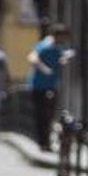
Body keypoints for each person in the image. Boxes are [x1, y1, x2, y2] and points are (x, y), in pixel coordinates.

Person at [27, 23, 72, 151]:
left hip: (52, 85)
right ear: (58, 36)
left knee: (50, 114)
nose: (65, 40)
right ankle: (43, 142)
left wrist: (64, 58)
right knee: (42, 114)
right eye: (64, 37)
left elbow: (61, 58)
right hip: (39, 86)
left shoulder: (58, 47)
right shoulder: (45, 45)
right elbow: (32, 57)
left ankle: (45, 141)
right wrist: (44, 68)